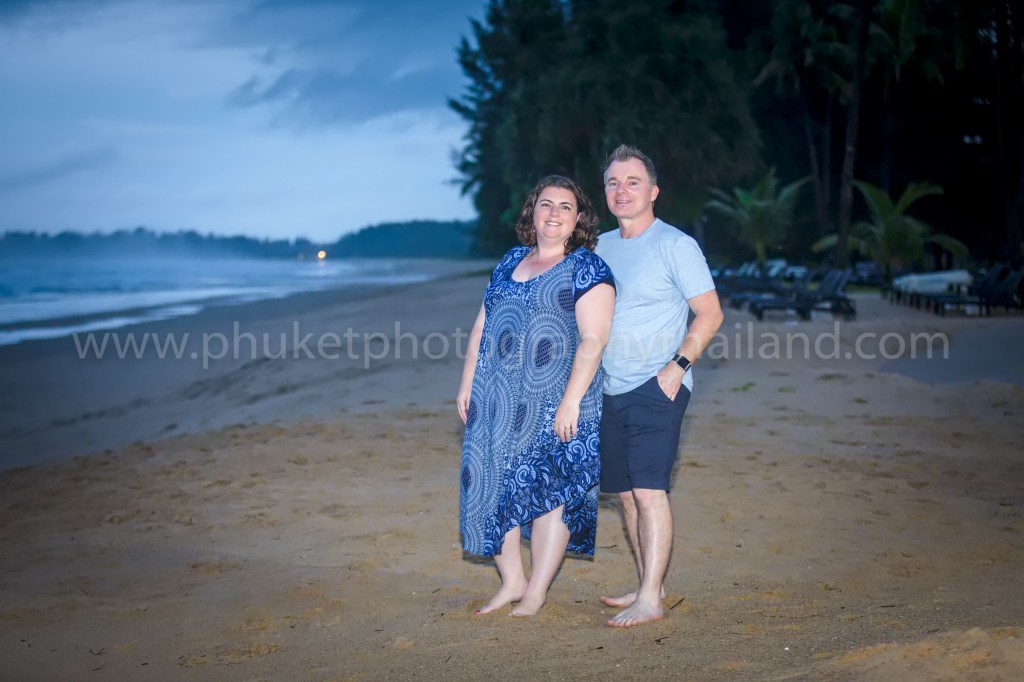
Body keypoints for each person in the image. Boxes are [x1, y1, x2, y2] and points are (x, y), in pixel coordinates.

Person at [457, 175, 616, 616]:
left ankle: (537, 591)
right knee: (491, 486)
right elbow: (482, 326)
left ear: (578, 218)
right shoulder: (510, 260)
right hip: (498, 396)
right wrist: (468, 381)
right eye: (546, 204)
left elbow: (593, 340)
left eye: (566, 207)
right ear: (532, 212)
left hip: (559, 400)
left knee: (550, 494)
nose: (554, 214)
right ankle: (512, 581)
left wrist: (569, 401)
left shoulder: (587, 267)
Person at [595, 145, 724, 628]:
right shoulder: (601, 247)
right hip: (609, 387)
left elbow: (710, 314)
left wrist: (676, 367)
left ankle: (650, 599)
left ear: (653, 190)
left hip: (658, 384)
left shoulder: (675, 245)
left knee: (649, 492)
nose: (621, 190)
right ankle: (651, 580)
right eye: (612, 182)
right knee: (626, 495)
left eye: (632, 181)